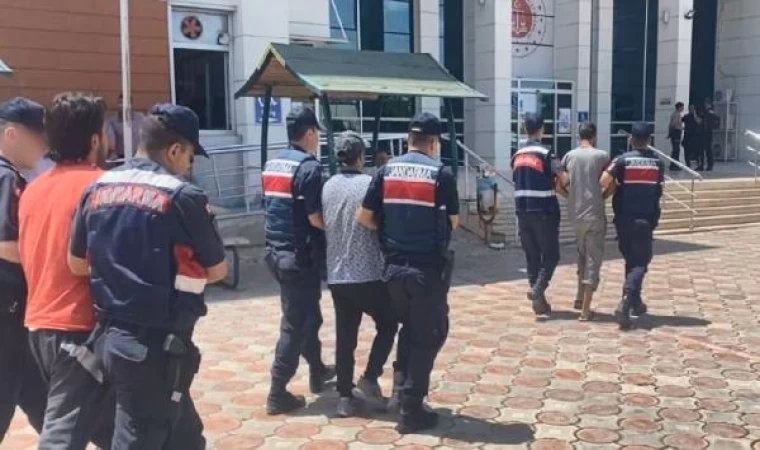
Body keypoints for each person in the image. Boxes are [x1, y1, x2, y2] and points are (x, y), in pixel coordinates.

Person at [68, 104, 227, 449]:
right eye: (190, 157)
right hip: (157, 347)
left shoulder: (97, 187)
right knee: (138, 435)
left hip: (112, 338)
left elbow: (76, 263)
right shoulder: (183, 196)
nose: (189, 166)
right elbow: (217, 270)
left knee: (185, 436)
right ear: (175, 150)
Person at [18, 93, 114, 449]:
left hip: (40, 327)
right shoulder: (103, 186)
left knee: (119, 427)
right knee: (64, 434)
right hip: (81, 328)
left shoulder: (33, 189)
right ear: (95, 140)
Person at [358, 112, 459, 434]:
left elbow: (364, 217)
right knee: (430, 334)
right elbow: (454, 222)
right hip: (425, 272)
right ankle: (411, 409)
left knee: (409, 330)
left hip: (393, 270)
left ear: (408, 139)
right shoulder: (441, 174)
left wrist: (391, 233)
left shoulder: (385, 171)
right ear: (434, 142)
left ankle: (402, 391)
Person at [261, 105, 335, 415]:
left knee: (310, 316)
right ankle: (277, 391)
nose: (317, 139)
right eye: (316, 133)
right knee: (294, 324)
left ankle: (317, 371)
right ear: (309, 133)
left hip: (276, 253)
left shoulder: (272, 164)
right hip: (299, 258)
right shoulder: (309, 169)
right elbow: (315, 218)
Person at [322, 132, 398, 418]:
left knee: (345, 336)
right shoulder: (369, 185)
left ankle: (344, 396)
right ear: (361, 157)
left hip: (336, 273)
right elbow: (380, 221)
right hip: (367, 272)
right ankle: (370, 376)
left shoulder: (328, 185)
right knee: (388, 323)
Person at [0, 97, 48, 442]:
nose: (44, 146)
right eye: (39, 137)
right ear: (12, 134)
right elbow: (7, 243)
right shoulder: (7, 179)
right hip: (6, 311)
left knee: (42, 397)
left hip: (14, 314)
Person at [601, 122, 665, 330]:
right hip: (645, 220)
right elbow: (657, 190)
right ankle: (627, 300)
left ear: (631, 139)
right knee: (640, 263)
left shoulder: (621, 160)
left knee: (631, 260)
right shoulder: (658, 163)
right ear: (649, 140)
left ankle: (634, 302)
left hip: (623, 220)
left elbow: (603, 180)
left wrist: (611, 191)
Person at [557, 122, 610, 321]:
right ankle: (586, 310)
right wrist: (602, 197)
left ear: (579, 136)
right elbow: (610, 181)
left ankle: (579, 297)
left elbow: (560, 184)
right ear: (594, 136)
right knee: (593, 260)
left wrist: (570, 197)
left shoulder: (569, 156)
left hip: (576, 214)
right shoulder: (602, 156)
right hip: (594, 214)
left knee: (581, 255)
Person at [512, 112, 560, 317]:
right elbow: (562, 176)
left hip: (522, 211)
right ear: (542, 129)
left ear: (525, 129)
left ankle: (538, 300)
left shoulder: (517, 155)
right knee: (551, 255)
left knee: (532, 256)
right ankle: (538, 288)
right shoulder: (546, 153)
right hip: (543, 211)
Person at [105, 94, 145, 160]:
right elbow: (111, 140)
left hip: (137, 156)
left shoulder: (140, 117)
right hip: (120, 157)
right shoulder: (112, 120)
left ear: (131, 104)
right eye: (120, 102)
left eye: (125, 103)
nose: (122, 105)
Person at [700, 99, 719, 171]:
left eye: (706, 104)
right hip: (706, 132)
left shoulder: (710, 111)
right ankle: (708, 164)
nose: (705, 105)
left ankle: (710, 165)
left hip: (708, 132)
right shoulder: (707, 111)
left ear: (708, 104)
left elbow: (714, 119)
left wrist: (712, 127)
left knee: (708, 149)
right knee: (706, 149)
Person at [668, 102, 685, 171]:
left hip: (675, 132)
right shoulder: (676, 114)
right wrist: (672, 131)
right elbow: (673, 124)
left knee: (675, 149)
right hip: (676, 132)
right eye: (682, 107)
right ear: (679, 107)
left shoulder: (675, 114)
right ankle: (674, 165)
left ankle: (674, 164)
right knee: (676, 149)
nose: (683, 108)